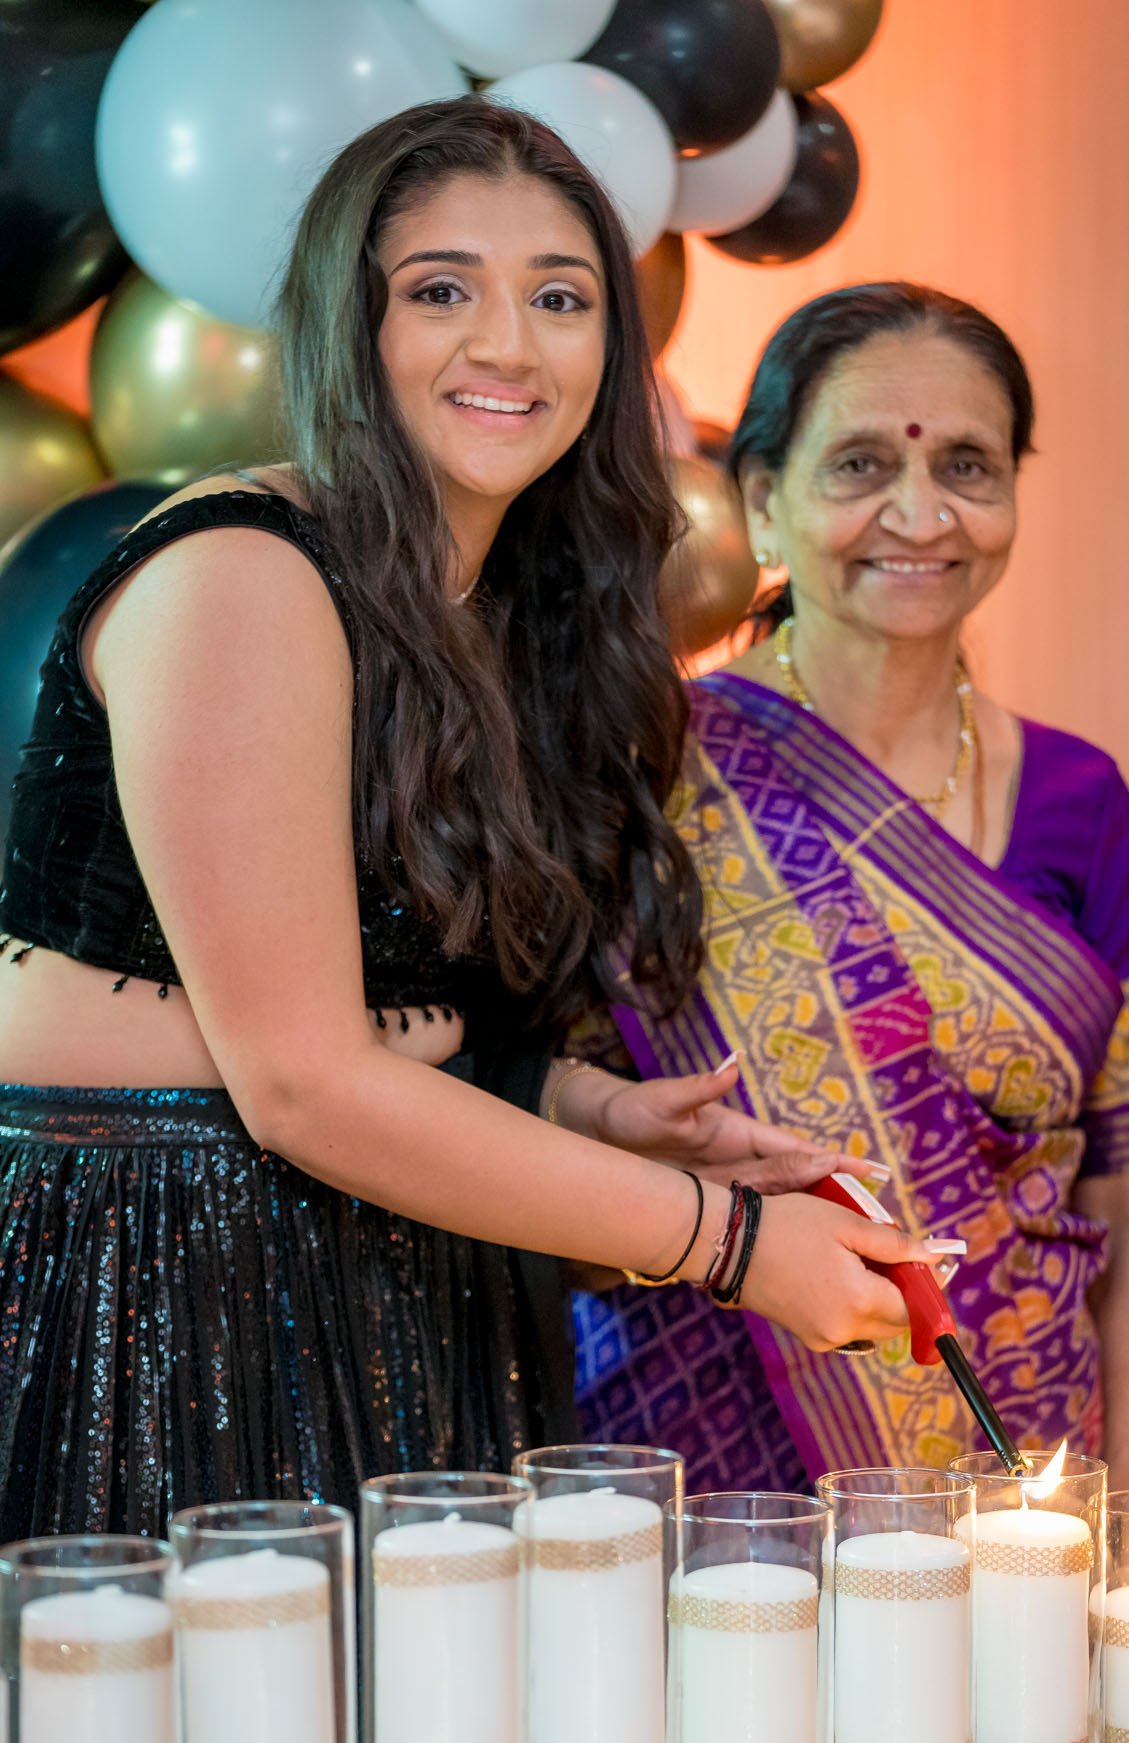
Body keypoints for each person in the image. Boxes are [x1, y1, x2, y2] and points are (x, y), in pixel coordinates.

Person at [0, 109, 929, 1541]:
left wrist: (593, 1110)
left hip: (422, 1269)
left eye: (559, 298)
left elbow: (391, 1001)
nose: (507, 345)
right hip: (166, 1263)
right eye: (441, 290)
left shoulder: (510, 617)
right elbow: (301, 1081)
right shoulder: (242, 570)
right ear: (348, 324)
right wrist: (731, 1246)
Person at [575, 282, 1129, 1492]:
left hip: (1026, 1458)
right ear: (762, 500)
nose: (920, 512)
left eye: (968, 465)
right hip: (706, 1469)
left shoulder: (1081, 795)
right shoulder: (641, 777)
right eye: (859, 464)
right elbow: (536, 1128)